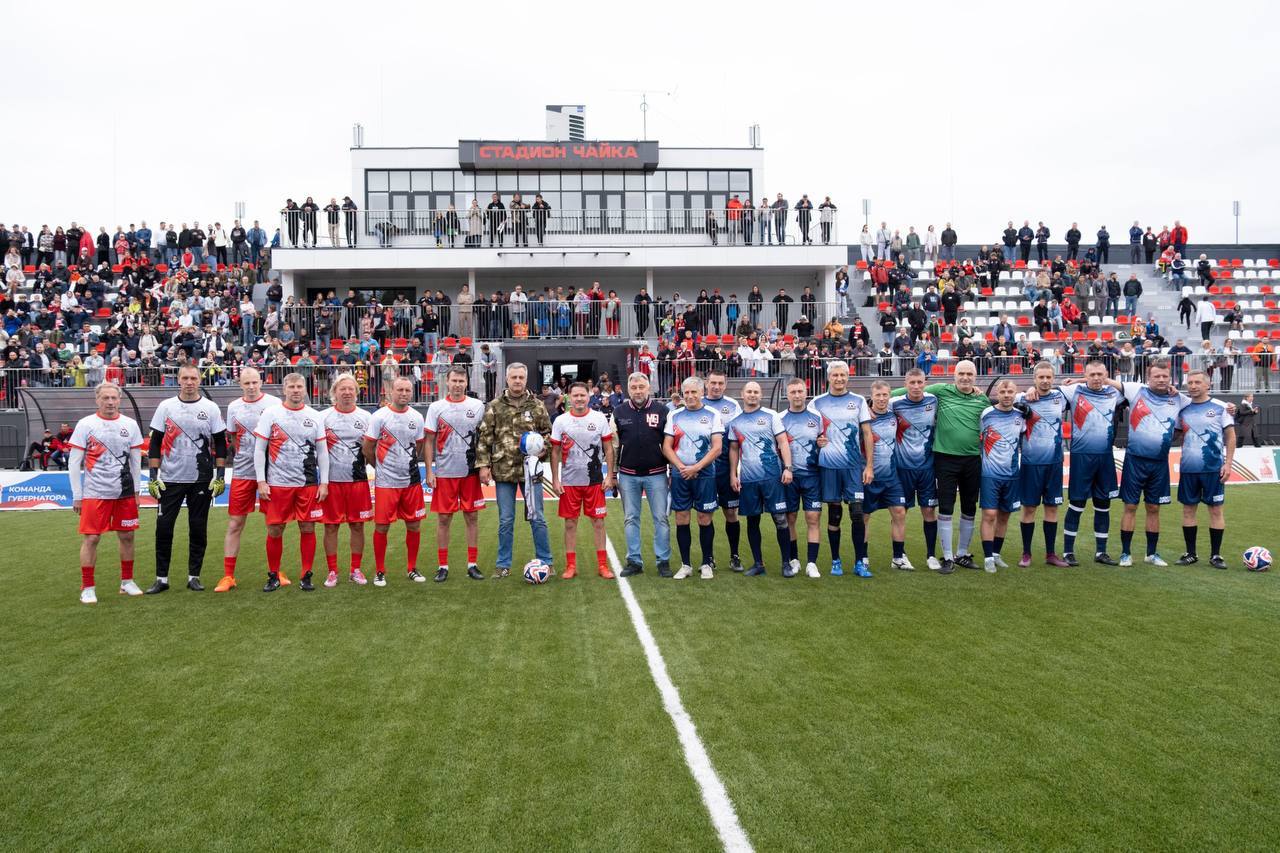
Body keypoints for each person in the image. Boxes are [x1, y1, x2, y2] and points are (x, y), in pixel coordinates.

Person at [890, 360, 988, 571]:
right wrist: (877, 399)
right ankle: (947, 557)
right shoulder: (941, 391)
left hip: (972, 459)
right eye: (961, 373)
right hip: (944, 459)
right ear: (954, 375)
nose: (965, 377)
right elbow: (909, 389)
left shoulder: (982, 399)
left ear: (975, 376)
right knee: (944, 507)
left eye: (969, 374)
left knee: (969, 507)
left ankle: (962, 554)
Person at [144, 364, 228, 594]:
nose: (189, 382)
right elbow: (155, 443)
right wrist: (153, 476)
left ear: (199, 380)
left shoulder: (210, 408)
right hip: (170, 479)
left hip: (201, 479)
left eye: (193, 378)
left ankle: (194, 576)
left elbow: (220, 443)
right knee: (164, 529)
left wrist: (220, 475)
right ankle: (161, 578)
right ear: (178, 380)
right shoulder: (166, 406)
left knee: (198, 528)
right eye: (185, 378)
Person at [68, 383, 146, 603]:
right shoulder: (86, 424)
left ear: (119, 400)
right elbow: (74, 462)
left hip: (124, 492)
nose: (110, 402)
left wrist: (137, 491)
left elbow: (136, 462)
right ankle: (88, 587)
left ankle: (127, 582)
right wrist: (77, 495)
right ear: (97, 399)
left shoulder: (130, 425)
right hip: (94, 493)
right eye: (105, 398)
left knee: (127, 536)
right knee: (92, 538)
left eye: (114, 398)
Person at [476, 362, 554, 577]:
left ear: (526, 379)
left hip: (531, 472)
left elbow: (548, 433)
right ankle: (503, 564)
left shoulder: (537, 405)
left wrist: (543, 450)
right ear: (507, 379)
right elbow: (484, 438)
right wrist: (483, 466)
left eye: (521, 377)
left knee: (537, 517)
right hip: (503, 471)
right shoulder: (494, 406)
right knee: (506, 520)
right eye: (514, 377)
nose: (517, 381)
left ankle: (546, 561)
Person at [254, 373, 329, 592]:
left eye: (299, 387)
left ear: (305, 389)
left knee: (307, 527)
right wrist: (261, 481)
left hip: (307, 483)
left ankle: (306, 575)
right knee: (275, 529)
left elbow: (322, 452)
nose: (296, 390)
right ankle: (273, 575)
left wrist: (324, 482)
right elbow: (259, 449)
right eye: (292, 387)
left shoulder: (315, 416)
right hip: (277, 484)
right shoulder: (271, 413)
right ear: (284, 389)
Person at [218, 367, 281, 592]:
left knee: (274, 524)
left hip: (272, 472)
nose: (251, 387)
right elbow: (234, 438)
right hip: (243, 471)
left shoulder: (274, 403)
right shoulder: (234, 407)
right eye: (247, 383)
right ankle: (228, 576)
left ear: (261, 382)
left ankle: (276, 571)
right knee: (236, 522)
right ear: (240, 384)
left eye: (255, 382)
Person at [1055, 360, 1124, 565]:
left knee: (1103, 505)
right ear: (1085, 375)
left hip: (1105, 457)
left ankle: (1101, 552)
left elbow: (1144, 390)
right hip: (1081, 457)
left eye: (1100, 374)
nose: (1096, 378)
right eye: (1091, 374)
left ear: (1106, 375)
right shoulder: (1073, 391)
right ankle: (1068, 552)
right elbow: (1048, 391)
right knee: (1077, 504)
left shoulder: (1115, 393)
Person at [361, 377, 428, 585]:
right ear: (391, 391)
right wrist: (380, 467)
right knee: (382, 527)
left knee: (414, 525)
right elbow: (367, 448)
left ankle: (412, 568)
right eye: (400, 390)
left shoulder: (417, 417)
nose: (404, 393)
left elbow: (418, 447)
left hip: (411, 482)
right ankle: (380, 571)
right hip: (386, 483)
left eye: (407, 390)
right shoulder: (379, 416)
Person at [425, 366, 488, 582]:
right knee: (444, 519)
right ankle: (443, 566)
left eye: (461, 381)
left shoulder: (477, 406)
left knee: (472, 516)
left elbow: (485, 438)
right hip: (445, 472)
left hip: (470, 472)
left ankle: (472, 564)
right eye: (454, 381)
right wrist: (430, 470)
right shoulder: (436, 407)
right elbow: (429, 441)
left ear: (466, 383)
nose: (458, 385)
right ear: (447, 382)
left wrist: (485, 466)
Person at [812, 361, 875, 577]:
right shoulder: (817, 402)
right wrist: (817, 440)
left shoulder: (858, 401)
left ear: (848, 377)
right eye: (835, 375)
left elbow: (867, 433)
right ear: (829, 377)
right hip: (829, 466)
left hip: (852, 467)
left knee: (857, 513)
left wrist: (869, 466)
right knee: (834, 515)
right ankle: (835, 561)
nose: (839, 379)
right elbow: (811, 432)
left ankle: (860, 562)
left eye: (843, 375)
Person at [549, 382, 615, 580]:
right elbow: (555, 451)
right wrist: (555, 479)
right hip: (569, 482)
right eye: (575, 395)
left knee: (598, 522)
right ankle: (571, 566)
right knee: (570, 523)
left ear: (589, 396)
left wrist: (609, 475)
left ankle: (602, 565)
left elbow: (608, 448)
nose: (579, 399)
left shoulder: (599, 418)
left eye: (582, 395)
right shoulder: (560, 421)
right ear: (569, 397)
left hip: (594, 481)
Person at [726, 381, 793, 576]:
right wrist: (733, 474)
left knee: (780, 519)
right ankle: (758, 564)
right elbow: (734, 449)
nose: (752, 394)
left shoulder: (771, 415)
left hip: (772, 477)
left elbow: (783, 442)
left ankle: (786, 564)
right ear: (742, 394)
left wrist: (788, 468)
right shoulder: (735, 421)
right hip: (748, 479)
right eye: (749, 391)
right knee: (752, 521)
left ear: (761, 395)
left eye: (756, 391)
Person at [663, 376, 724, 579]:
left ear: (701, 392)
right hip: (680, 475)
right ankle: (686, 564)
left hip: (705, 475)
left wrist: (696, 467)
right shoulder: (674, 415)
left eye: (693, 392)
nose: (689, 396)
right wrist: (682, 467)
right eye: (686, 392)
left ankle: (706, 563)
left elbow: (717, 447)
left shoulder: (713, 414)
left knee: (704, 518)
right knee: (681, 517)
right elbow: (666, 447)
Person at [612, 372, 672, 577]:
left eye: (641, 387)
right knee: (631, 518)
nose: (638, 391)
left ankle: (663, 561)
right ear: (628, 390)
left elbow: (670, 444)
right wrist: (613, 474)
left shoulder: (662, 411)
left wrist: (672, 471)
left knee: (661, 518)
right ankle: (634, 561)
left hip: (657, 474)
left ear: (649, 388)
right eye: (634, 387)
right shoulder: (618, 412)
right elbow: (614, 447)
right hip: (628, 475)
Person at [1175, 370, 1235, 569]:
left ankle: (1216, 555)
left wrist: (1228, 463)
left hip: (1213, 468)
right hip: (1188, 469)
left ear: (1208, 385)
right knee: (1188, 510)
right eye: (1190, 382)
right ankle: (1190, 554)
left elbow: (1230, 437)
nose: (1193, 386)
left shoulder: (1221, 407)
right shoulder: (1182, 408)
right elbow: (1175, 435)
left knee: (1216, 510)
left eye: (1197, 382)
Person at [319, 373, 373, 588]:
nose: (347, 392)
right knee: (330, 527)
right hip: (331, 482)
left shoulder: (366, 417)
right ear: (334, 392)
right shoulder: (323, 417)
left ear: (357, 392)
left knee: (357, 526)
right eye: (343, 389)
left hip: (358, 481)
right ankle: (332, 571)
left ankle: (355, 570)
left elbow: (372, 449)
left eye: (351, 389)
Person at [1014, 363, 1072, 567]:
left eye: (1048, 377)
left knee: (1052, 508)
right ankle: (1026, 554)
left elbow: (1089, 383)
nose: (1045, 381)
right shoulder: (1022, 398)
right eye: (1041, 377)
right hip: (1031, 463)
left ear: (1053, 378)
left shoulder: (1061, 396)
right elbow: (1003, 398)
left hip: (1054, 463)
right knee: (1029, 509)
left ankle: (1051, 555)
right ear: (1034, 379)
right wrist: (1027, 391)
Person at [889, 369, 942, 571]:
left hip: (927, 468)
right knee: (900, 512)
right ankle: (898, 555)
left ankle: (931, 555)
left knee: (929, 510)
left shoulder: (933, 401)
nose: (916, 386)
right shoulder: (894, 404)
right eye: (912, 382)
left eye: (920, 382)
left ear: (925, 383)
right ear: (905, 384)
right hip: (902, 468)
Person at [979, 380, 1027, 572]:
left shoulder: (1020, 416)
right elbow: (978, 437)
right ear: (997, 394)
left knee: (1005, 516)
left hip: (1012, 474)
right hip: (989, 474)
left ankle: (996, 554)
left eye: (1010, 392)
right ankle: (988, 557)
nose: (1007, 395)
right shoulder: (986, 414)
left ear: (1015, 393)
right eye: (1003, 392)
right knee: (990, 514)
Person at [863, 380, 911, 571]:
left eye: (885, 395)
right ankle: (862, 558)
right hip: (868, 476)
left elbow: (911, 391)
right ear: (871, 397)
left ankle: (898, 558)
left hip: (891, 476)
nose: (882, 399)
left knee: (900, 512)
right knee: (864, 517)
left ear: (890, 396)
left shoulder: (895, 416)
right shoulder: (863, 418)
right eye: (878, 395)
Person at [780, 377, 824, 578]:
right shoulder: (780, 418)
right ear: (787, 395)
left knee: (813, 517)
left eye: (800, 391)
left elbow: (823, 439)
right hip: (789, 477)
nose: (797, 395)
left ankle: (812, 563)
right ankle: (794, 559)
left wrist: (822, 442)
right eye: (793, 392)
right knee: (790, 518)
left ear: (806, 393)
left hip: (812, 475)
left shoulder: (817, 417)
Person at [702, 371, 744, 571]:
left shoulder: (733, 406)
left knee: (731, 513)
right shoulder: (698, 403)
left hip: (726, 469)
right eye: (713, 383)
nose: (716, 386)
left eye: (720, 383)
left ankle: (735, 556)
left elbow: (738, 439)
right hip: (705, 470)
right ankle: (708, 558)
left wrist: (735, 472)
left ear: (725, 385)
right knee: (706, 513)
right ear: (706, 383)